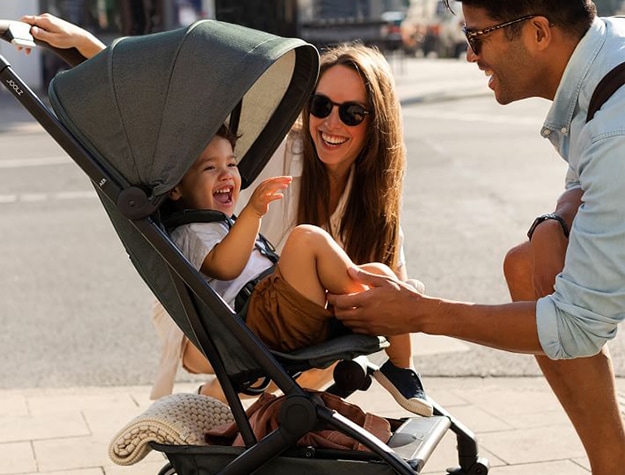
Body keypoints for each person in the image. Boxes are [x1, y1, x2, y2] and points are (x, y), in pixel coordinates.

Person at [18, 14, 421, 409]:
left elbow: (392, 279)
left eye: (352, 113)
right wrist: (88, 47)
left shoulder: (373, 197)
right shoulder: (281, 154)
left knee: (375, 288)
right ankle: (220, 406)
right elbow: (173, 121)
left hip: (289, 315)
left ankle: (397, 379)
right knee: (318, 306)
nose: (331, 123)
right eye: (320, 106)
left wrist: (404, 312)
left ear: (377, 122)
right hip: (218, 320)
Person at [328, 1, 625, 473]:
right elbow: (588, 181)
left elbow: (577, 326)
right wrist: (556, 220)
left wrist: (421, 314)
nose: (471, 55)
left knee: (563, 308)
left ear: (538, 33)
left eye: (477, 38)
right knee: (527, 266)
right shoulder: (606, 54)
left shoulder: (616, 131)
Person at [161, 123, 432, 416]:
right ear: (176, 188)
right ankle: (376, 296)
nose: (226, 174)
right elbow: (226, 267)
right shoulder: (189, 231)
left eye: (231, 163)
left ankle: (401, 367)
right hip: (256, 326)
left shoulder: (218, 223)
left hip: (276, 314)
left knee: (378, 269)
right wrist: (252, 214)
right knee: (305, 238)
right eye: (210, 168)